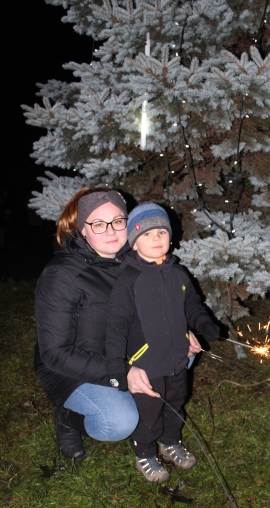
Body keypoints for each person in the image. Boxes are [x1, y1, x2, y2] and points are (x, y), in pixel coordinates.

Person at [34, 187, 202, 461]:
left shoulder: (138, 259)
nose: (111, 231)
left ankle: (152, 413)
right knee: (118, 422)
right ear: (82, 229)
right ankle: (67, 417)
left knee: (184, 355)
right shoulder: (61, 275)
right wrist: (123, 372)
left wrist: (182, 330)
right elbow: (55, 353)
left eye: (118, 221)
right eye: (99, 224)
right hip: (73, 367)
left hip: (126, 351)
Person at [105, 202, 220, 483]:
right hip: (146, 363)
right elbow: (116, 325)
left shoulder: (178, 274)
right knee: (150, 410)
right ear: (134, 242)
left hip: (178, 358)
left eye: (161, 232)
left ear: (170, 236)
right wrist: (117, 367)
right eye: (147, 234)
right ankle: (144, 452)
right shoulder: (129, 279)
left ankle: (170, 442)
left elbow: (192, 306)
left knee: (176, 402)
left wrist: (205, 325)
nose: (156, 239)